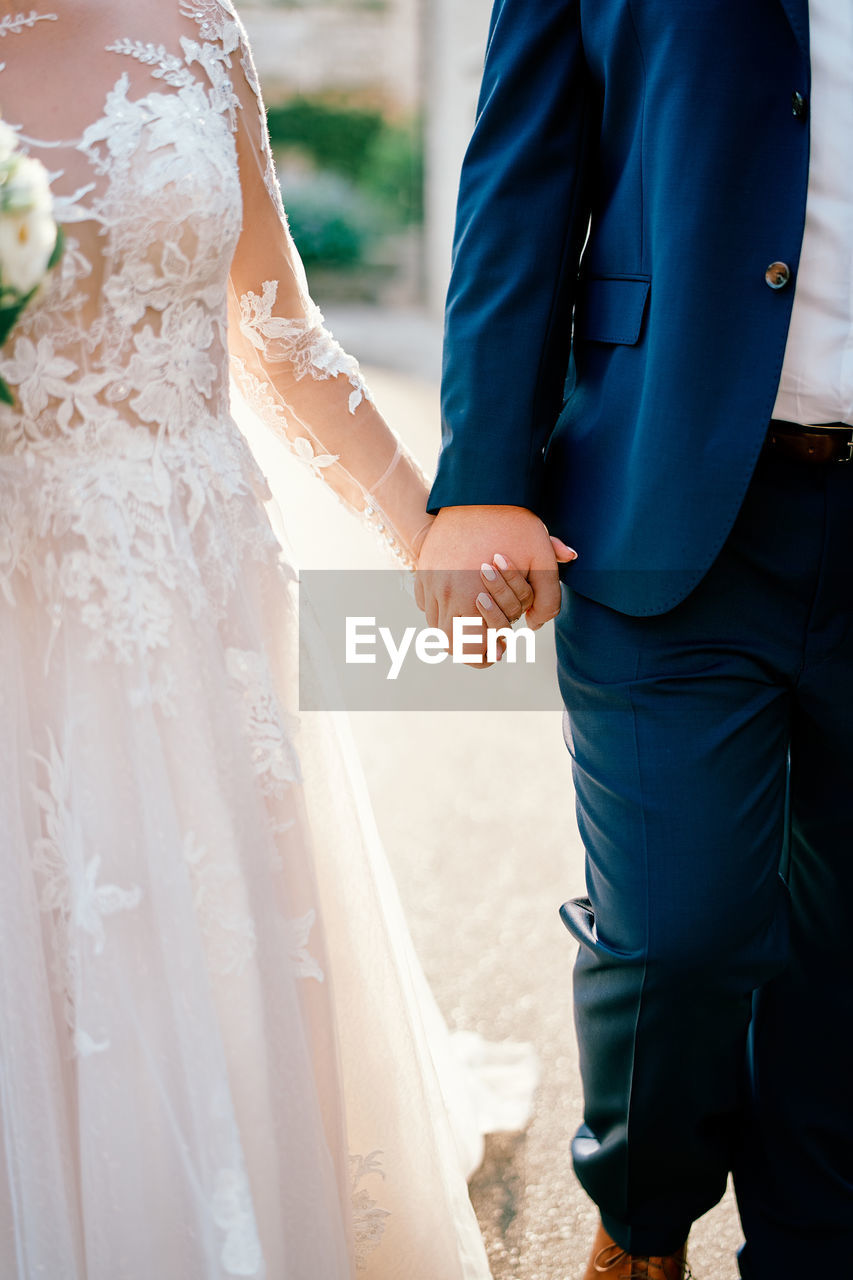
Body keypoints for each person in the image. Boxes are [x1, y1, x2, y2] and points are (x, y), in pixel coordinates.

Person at [0, 3, 501, 1276]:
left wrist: (423, 529)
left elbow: (276, 329)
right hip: (27, 600)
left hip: (202, 584)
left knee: (218, 970)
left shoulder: (195, 27)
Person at [417, 0, 853, 1276]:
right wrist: (482, 475)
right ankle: (641, 1212)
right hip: (670, 492)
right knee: (679, 929)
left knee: (840, 957)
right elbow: (524, 170)